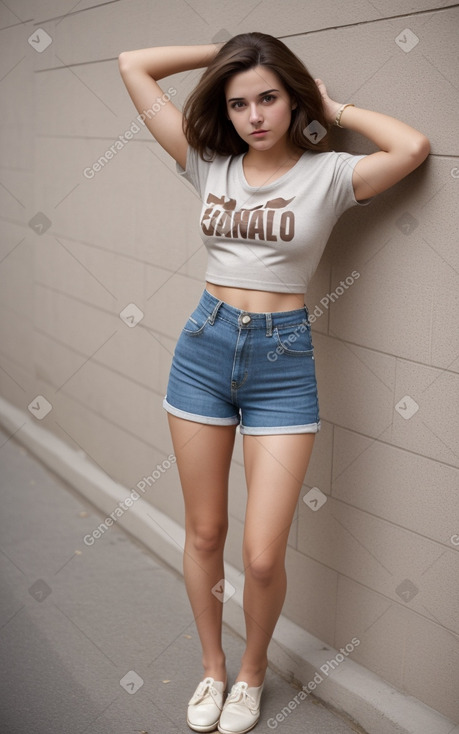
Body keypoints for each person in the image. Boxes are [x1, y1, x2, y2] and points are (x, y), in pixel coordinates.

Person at [118, 32, 429, 734]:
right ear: (223, 113)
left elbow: (410, 149)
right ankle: (211, 669)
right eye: (237, 103)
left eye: (268, 97)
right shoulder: (205, 163)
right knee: (204, 533)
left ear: (291, 99)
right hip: (202, 349)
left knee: (260, 556)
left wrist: (331, 104)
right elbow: (132, 66)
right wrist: (225, 49)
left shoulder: (329, 174)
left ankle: (251, 674)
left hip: (282, 365)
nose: (254, 115)